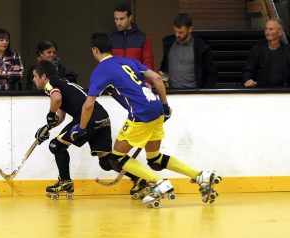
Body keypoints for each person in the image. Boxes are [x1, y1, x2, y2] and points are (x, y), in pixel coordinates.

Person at [71, 33, 221, 207]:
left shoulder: (101, 70)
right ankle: (199, 175)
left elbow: (88, 105)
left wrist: (81, 128)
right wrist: (164, 107)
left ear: (95, 50)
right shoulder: (128, 61)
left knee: (116, 158)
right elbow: (157, 78)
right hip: (156, 108)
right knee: (155, 159)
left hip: (140, 114)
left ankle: (159, 183)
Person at [32, 60, 139, 199]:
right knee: (106, 161)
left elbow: (56, 99)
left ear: (44, 76)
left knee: (56, 146)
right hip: (101, 115)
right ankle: (139, 178)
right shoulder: (63, 83)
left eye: (35, 76)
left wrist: (50, 114)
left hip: (87, 117)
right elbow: (61, 115)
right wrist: (47, 127)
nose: (33, 79)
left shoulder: (51, 84)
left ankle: (65, 182)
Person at [159, 13, 216, 88]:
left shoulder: (201, 46)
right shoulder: (168, 43)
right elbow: (165, 64)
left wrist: (205, 93)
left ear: (190, 29)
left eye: (181, 32)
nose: (177, 35)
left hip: (193, 93)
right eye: (175, 31)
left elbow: (211, 73)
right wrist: (161, 73)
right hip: (172, 91)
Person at [243, 18, 290, 88]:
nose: (267, 32)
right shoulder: (257, 50)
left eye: (271, 29)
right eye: (266, 29)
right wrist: (247, 80)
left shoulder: (288, 51)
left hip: (284, 94)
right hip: (262, 93)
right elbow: (248, 71)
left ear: (280, 32)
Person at [109, 3, 154, 71]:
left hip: (136, 80)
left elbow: (148, 64)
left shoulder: (142, 38)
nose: (118, 23)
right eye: (116, 19)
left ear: (130, 18)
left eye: (122, 19)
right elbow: (104, 64)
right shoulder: (109, 38)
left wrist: (147, 81)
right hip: (115, 80)